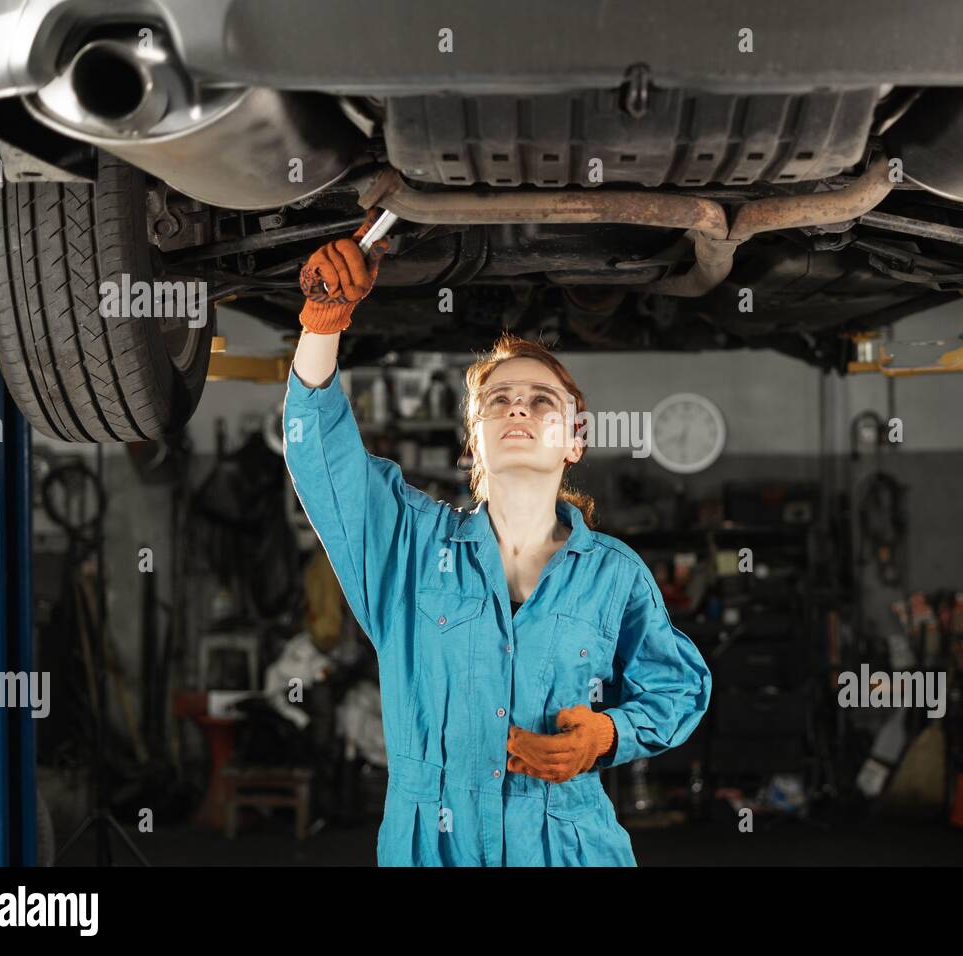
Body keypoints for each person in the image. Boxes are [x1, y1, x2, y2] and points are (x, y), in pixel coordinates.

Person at [282, 216, 711, 866]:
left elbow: (679, 686)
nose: (519, 408)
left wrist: (604, 733)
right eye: (500, 399)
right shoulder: (409, 548)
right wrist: (322, 322)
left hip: (573, 849)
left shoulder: (613, 574)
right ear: (472, 439)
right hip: (432, 847)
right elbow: (321, 459)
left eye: (543, 401)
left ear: (575, 441)